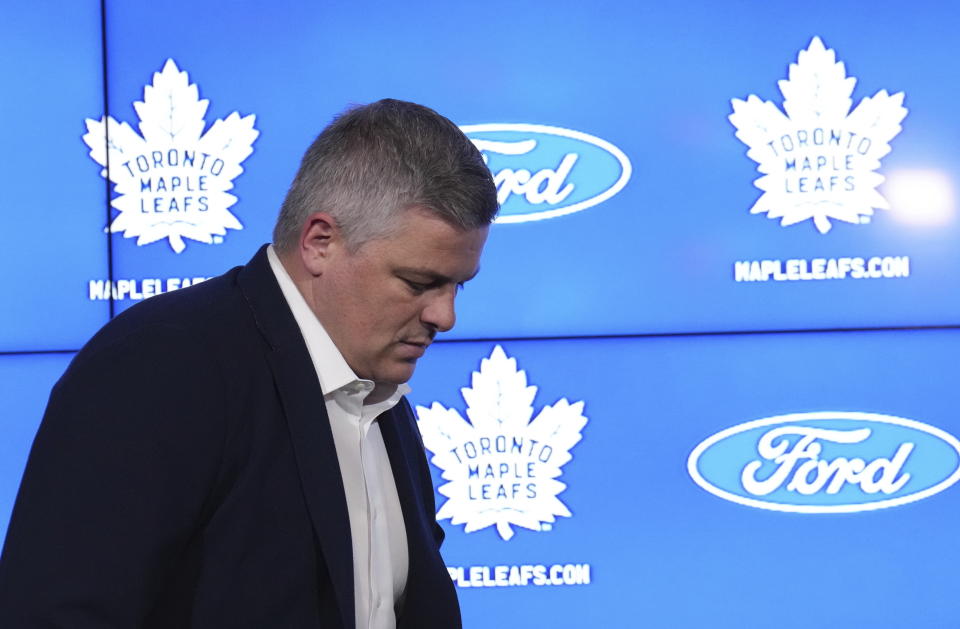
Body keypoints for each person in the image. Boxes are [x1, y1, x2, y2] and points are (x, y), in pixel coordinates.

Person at [0, 99, 498, 629]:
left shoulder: (375, 390)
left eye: (456, 286)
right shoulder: (161, 366)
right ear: (320, 243)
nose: (444, 316)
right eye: (419, 284)